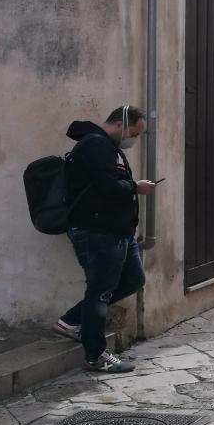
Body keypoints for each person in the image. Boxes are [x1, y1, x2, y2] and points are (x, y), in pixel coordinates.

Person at [54, 105, 159, 374]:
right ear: (120, 124)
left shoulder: (108, 147)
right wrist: (136, 187)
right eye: (134, 133)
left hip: (117, 232)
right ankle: (95, 356)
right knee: (99, 290)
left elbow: (110, 182)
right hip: (98, 232)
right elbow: (109, 187)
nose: (134, 139)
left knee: (133, 279)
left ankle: (71, 321)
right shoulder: (96, 145)